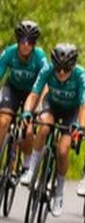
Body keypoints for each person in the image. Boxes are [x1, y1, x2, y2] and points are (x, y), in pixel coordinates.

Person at [20, 43, 85, 216]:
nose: (62, 73)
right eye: (58, 69)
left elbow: (83, 105)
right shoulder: (47, 70)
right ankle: (31, 170)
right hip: (51, 105)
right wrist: (27, 111)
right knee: (44, 127)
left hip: (72, 112)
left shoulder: (80, 75)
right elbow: (34, 94)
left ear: (73, 67)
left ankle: (59, 191)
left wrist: (80, 127)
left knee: (63, 150)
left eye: (66, 70)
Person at [0, 21, 46, 172]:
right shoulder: (9, 52)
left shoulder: (39, 56)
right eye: (23, 41)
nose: (26, 45)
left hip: (32, 93)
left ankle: (26, 165)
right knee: (3, 120)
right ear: (18, 40)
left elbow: (45, 82)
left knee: (29, 130)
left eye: (30, 42)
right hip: (12, 89)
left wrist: (41, 105)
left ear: (34, 43)